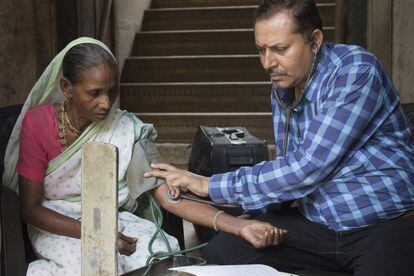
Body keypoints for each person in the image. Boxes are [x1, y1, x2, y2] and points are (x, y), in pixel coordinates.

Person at [145, 0, 414, 275]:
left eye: (280, 49)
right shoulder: (283, 87)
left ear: (315, 41)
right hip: (318, 225)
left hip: (380, 225)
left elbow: (308, 167)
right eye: (261, 50)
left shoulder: (355, 71)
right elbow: (288, 169)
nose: (268, 63)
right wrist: (249, 219)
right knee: (221, 252)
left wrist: (208, 185)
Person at [2, 37, 287, 275]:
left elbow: (167, 196)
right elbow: (29, 209)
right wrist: (94, 234)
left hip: (113, 219)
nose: (105, 103)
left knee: (162, 255)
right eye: (94, 93)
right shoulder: (38, 125)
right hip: (57, 224)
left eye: (112, 92)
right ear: (66, 88)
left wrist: (239, 226)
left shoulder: (125, 129)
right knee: (96, 262)